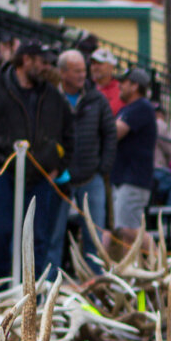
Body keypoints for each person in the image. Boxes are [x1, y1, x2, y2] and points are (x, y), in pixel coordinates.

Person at [0, 41, 72, 279]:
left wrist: (56, 167)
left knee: (37, 238)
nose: (46, 67)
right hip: (4, 177)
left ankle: (32, 297)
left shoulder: (53, 96)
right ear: (26, 60)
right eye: (42, 62)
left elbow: (68, 136)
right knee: (0, 236)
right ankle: (1, 294)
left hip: (40, 178)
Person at [52, 49, 116, 270]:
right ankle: (49, 287)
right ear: (62, 73)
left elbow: (110, 133)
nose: (82, 75)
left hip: (91, 177)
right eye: (76, 71)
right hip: (60, 177)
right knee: (54, 235)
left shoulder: (96, 98)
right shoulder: (52, 97)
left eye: (83, 70)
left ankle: (95, 286)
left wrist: (103, 167)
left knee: (93, 236)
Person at [110, 67, 157, 246]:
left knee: (128, 228)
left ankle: (157, 264)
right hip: (125, 178)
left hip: (134, 179)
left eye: (123, 82)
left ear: (135, 85)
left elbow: (115, 132)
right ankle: (130, 272)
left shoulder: (141, 107)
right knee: (124, 232)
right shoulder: (129, 109)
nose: (119, 85)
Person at [90, 48, 123, 113]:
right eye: (93, 63)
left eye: (100, 63)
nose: (95, 67)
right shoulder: (87, 87)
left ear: (111, 66)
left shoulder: (121, 89)